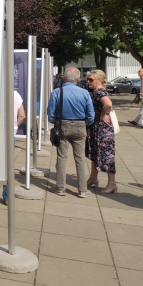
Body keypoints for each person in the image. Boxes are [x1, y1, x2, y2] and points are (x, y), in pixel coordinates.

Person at [47, 67, 95, 198]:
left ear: (64, 78)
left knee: (62, 157)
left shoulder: (57, 92)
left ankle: (60, 188)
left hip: (62, 124)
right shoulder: (84, 93)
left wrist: (55, 121)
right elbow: (91, 114)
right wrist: (87, 123)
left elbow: (50, 112)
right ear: (78, 79)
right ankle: (82, 189)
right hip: (80, 125)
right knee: (80, 158)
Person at [85, 70, 117, 194]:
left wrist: (103, 114)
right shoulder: (97, 91)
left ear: (99, 80)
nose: (88, 82)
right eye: (88, 79)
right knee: (95, 152)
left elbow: (108, 104)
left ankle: (112, 183)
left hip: (102, 128)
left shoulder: (99, 91)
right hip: (97, 127)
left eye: (91, 79)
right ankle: (93, 178)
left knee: (106, 155)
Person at [2, 90, 26, 206]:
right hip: (9, 133)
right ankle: (7, 197)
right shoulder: (15, 94)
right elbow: (22, 115)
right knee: (8, 166)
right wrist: (15, 126)